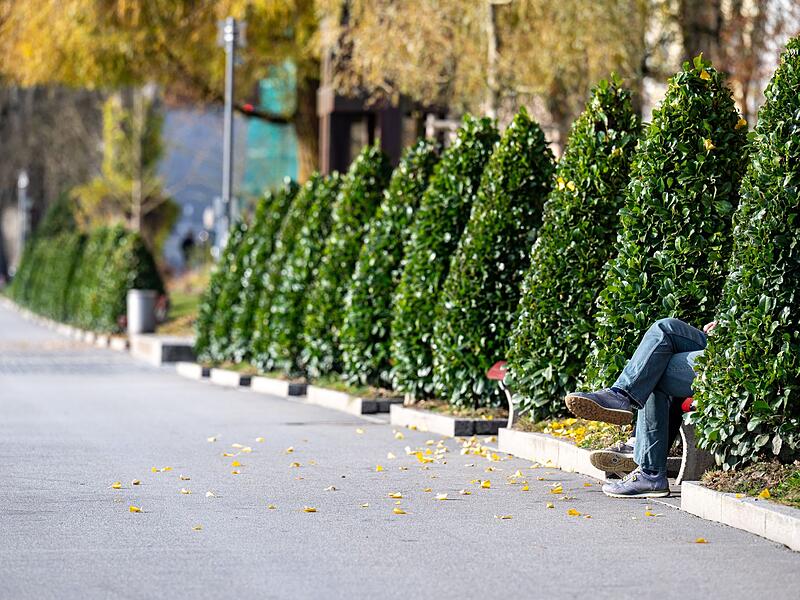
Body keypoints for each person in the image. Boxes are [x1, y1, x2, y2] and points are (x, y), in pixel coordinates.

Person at [564, 318, 716, 498]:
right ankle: (620, 397)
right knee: (665, 328)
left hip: (735, 349)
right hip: (721, 340)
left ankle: (649, 470)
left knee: (654, 368)